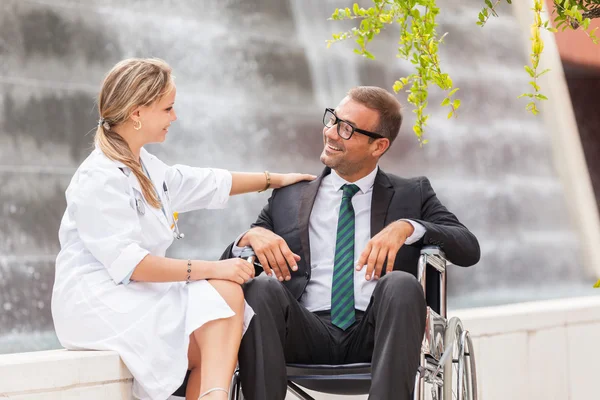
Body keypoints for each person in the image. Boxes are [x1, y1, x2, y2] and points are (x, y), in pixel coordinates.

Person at [50, 58, 315, 400]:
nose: (174, 117)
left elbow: (206, 182)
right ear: (137, 113)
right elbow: (134, 266)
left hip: (135, 296)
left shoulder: (145, 166)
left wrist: (276, 179)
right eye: (168, 108)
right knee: (221, 297)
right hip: (97, 304)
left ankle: (214, 395)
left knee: (223, 301)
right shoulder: (98, 178)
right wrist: (211, 268)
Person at [222, 86, 481, 400]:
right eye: (333, 120)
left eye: (346, 129)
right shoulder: (289, 196)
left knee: (401, 283)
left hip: (379, 333)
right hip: (304, 331)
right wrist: (249, 237)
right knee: (260, 288)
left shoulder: (413, 193)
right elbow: (226, 267)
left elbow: (468, 247)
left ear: (378, 146)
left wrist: (408, 227)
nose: (330, 133)